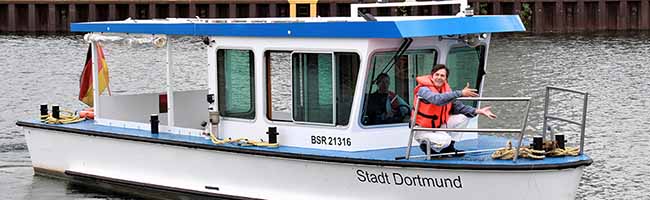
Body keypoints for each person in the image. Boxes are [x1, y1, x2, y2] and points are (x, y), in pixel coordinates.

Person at [412, 64, 497, 156]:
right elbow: (436, 99)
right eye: (437, 74)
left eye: (442, 75)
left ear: (446, 79)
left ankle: (448, 148)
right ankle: (426, 146)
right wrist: (460, 93)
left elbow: (459, 107)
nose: (439, 77)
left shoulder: (446, 91)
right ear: (432, 76)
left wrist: (479, 111)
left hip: (437, 126)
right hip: (422, 129)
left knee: (463, 117)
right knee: (445, 140)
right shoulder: (423, 89)